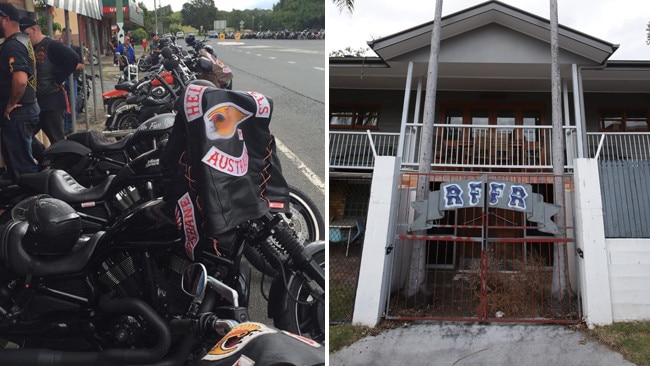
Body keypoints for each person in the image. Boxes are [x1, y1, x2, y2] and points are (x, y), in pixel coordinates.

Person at [19, 17, 79, 162]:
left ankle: (67, 170)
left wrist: (58, 79)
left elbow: (73, 58)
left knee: (57, 140)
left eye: (25, 34)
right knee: (24, 136)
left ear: (34, 29)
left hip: (51, 102)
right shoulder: (31, 48)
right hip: (36, 103)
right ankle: (46, 158)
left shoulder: (52, 45)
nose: (24, 38)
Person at [0, 3, 39, 182]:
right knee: (22, 162)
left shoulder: (13, 45)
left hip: (18, 114)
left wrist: (9, 105)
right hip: (27, 110)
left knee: (23, 170)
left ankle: (32, 204)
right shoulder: (23, 40)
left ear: (6, 20)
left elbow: (21, 79)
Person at [59, 28, 84, 135]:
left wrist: (69, 67)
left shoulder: (76, 49)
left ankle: (70, 126)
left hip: (73, 78)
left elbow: (81, 65)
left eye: (68, 36)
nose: (66, 38)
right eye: (64, 36)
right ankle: (65, 126)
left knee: (72, 103)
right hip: (62, 79)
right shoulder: (59, 49)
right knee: (63, 103)